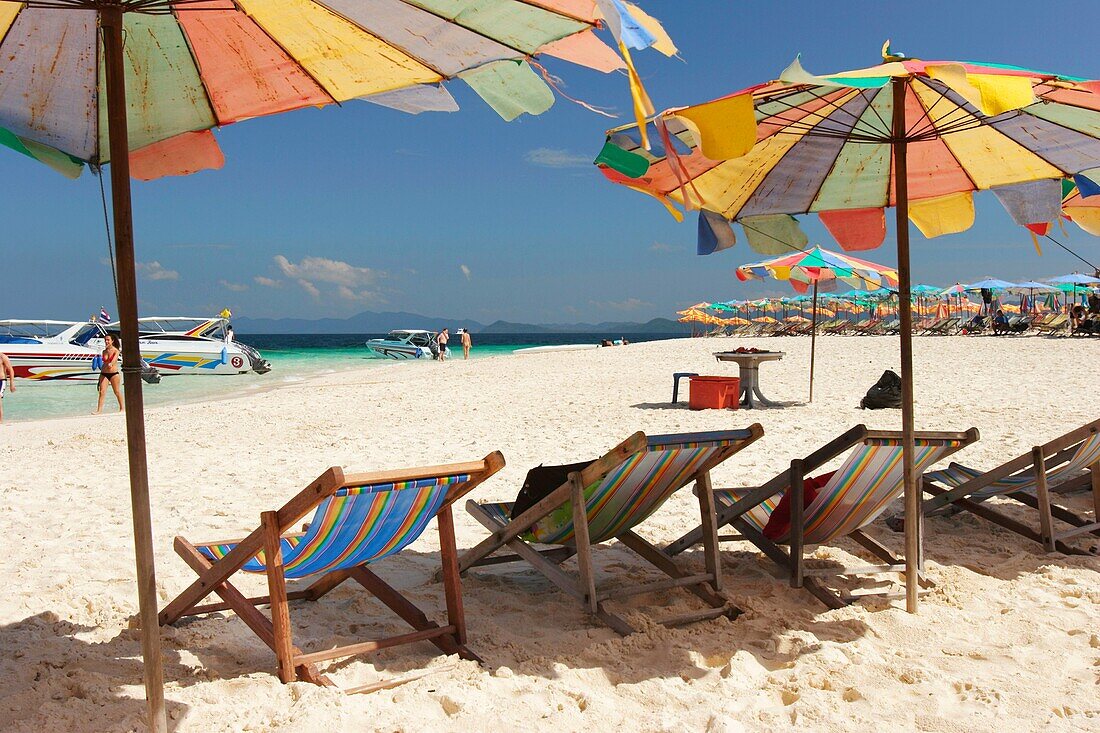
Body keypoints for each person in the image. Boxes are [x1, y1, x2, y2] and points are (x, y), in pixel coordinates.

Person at [94, 333, 124, 414]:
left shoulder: (116, 350)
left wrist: (111, 364)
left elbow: (114, 360)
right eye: (105, 340)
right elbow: (104, 362)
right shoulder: (104, 351)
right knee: (102, 391)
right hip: (104, 374)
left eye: (108, 340)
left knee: (117, 391)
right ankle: (99, 410)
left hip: (114, 374)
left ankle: (122, 408)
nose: (106, 341)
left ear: (112, 341)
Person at [0, 351, 14, 423]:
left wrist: (11, 383)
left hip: (1, 381)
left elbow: (10, 370)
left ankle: (0, 421)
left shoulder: (2, 357)